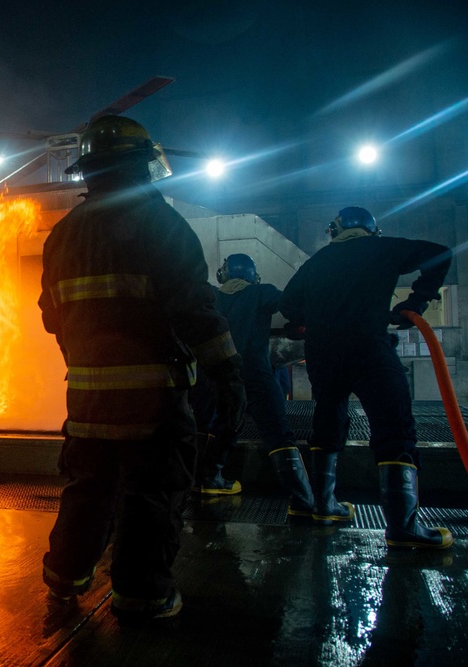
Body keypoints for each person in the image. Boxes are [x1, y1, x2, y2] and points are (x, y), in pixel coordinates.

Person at [38, 115, 247, 620]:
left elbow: (50, 316)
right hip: (152, 400)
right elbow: (195, 309)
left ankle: (65, 579)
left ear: (89, 171)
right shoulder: (162, 224)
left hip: (87, 399)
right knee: (151, 494)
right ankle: (142, 592)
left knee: (88, 490)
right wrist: (228, 374)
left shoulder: (62, 235)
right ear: (141, 165)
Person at [280, 206, 453, 548]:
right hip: (369, 350)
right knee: (394, 428)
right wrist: (415, 302)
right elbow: (440, 254)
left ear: (334, 231)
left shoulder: (319, 261)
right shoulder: (383, 248)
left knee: (327, 422)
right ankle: (403, 527)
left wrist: (311, 318)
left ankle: (324, 506)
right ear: (372, 230)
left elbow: (287, 304)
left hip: (324, 355)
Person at [194, 254, 315, 519]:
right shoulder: (262, 292)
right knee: (276, 430)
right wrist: (300, 324)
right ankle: (303, 499)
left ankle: (210, 479)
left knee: (225, 424)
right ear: (253, 276)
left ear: (222, 275)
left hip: (219, 374)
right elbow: (292, 303)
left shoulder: (212, 296)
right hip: (255, 373)